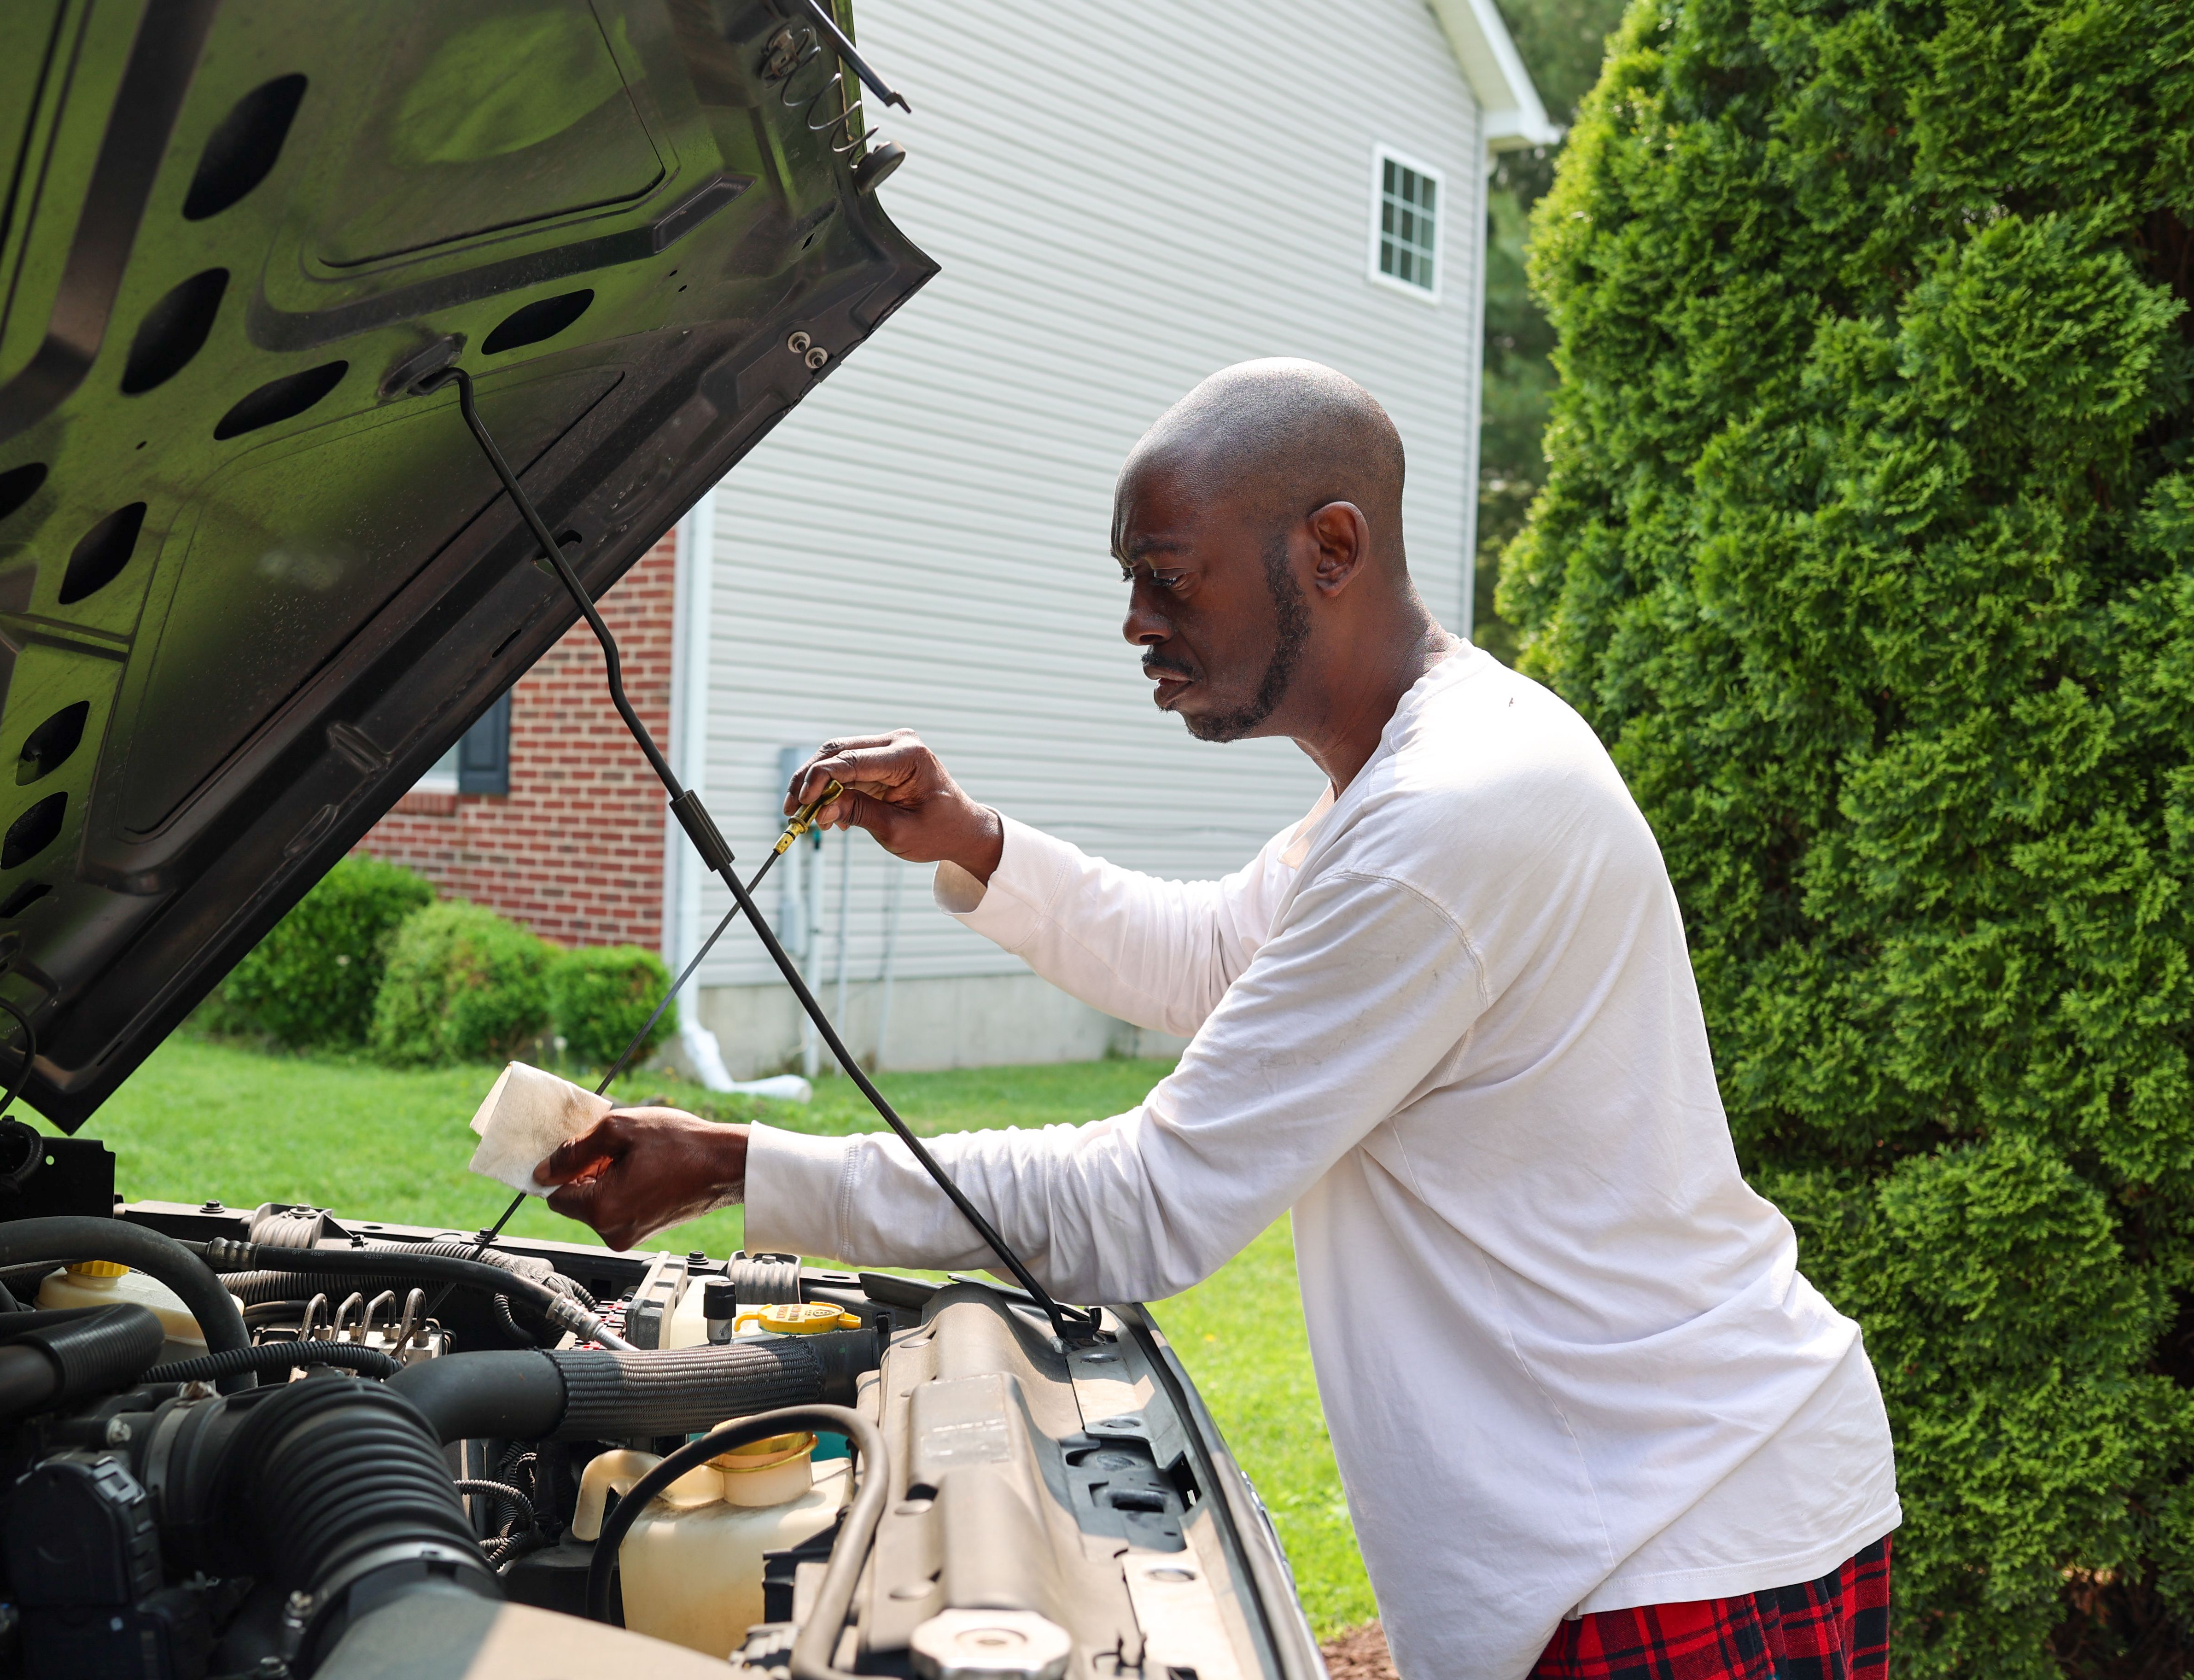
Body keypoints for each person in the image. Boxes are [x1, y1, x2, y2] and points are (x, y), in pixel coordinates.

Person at [539, 359, 1899, 1680]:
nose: (1136, 620)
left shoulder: (1446, 818)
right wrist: (976, 842)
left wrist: (744, 1166)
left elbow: (1152, 1204)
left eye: (1168, 574)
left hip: (1671, 1533)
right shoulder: (1411, 774)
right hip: (1646, 1507)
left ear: (1330, 547)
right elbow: (1209, 960)